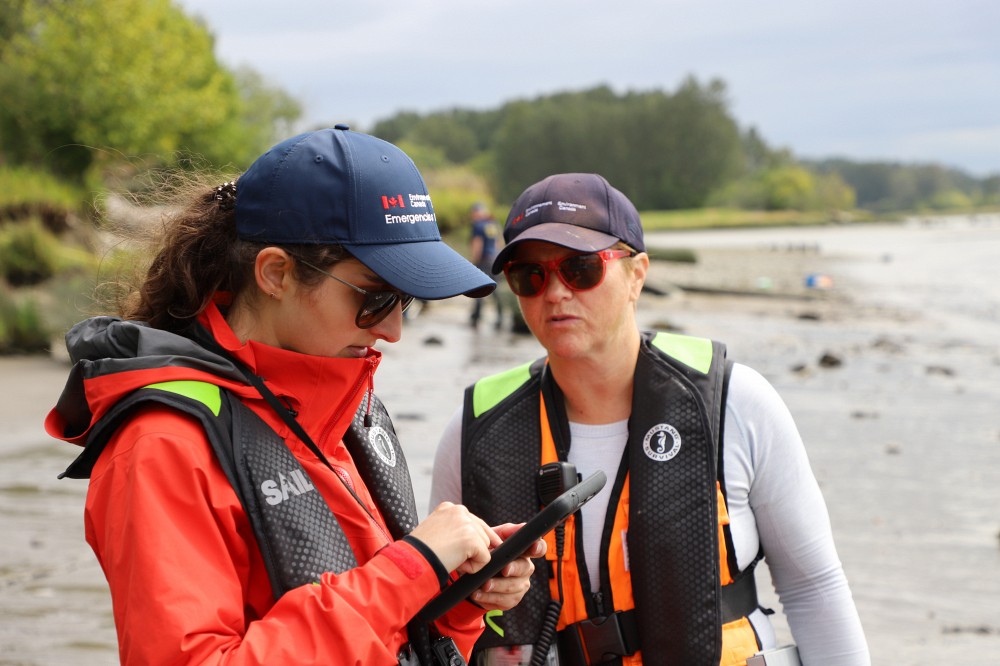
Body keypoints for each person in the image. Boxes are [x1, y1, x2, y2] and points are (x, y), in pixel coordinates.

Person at [44, 126, 545, 665]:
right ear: (275, 273)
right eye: (375, 297)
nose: (394, 332)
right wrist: (412, 569)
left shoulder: (350, 402)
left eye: (407, 300)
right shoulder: (163, 446)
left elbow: (380, 632)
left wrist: (455, 597)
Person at [430, 173, 871, 665]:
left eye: (580, 268)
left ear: (637, 273)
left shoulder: (735, 404)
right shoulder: (475, 433)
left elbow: (814, 589)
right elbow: (437, 617)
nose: (554, 293)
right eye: (530, 277)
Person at [468, 202, 504, 330]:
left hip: (483, 260)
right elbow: (499, 242)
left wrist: (473, 261)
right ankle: (500, 318)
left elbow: (478, 244)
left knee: (478, 290)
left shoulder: (478, 226)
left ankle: (476, 319)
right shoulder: (493, 224)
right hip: (494, 260)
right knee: (495, 290)